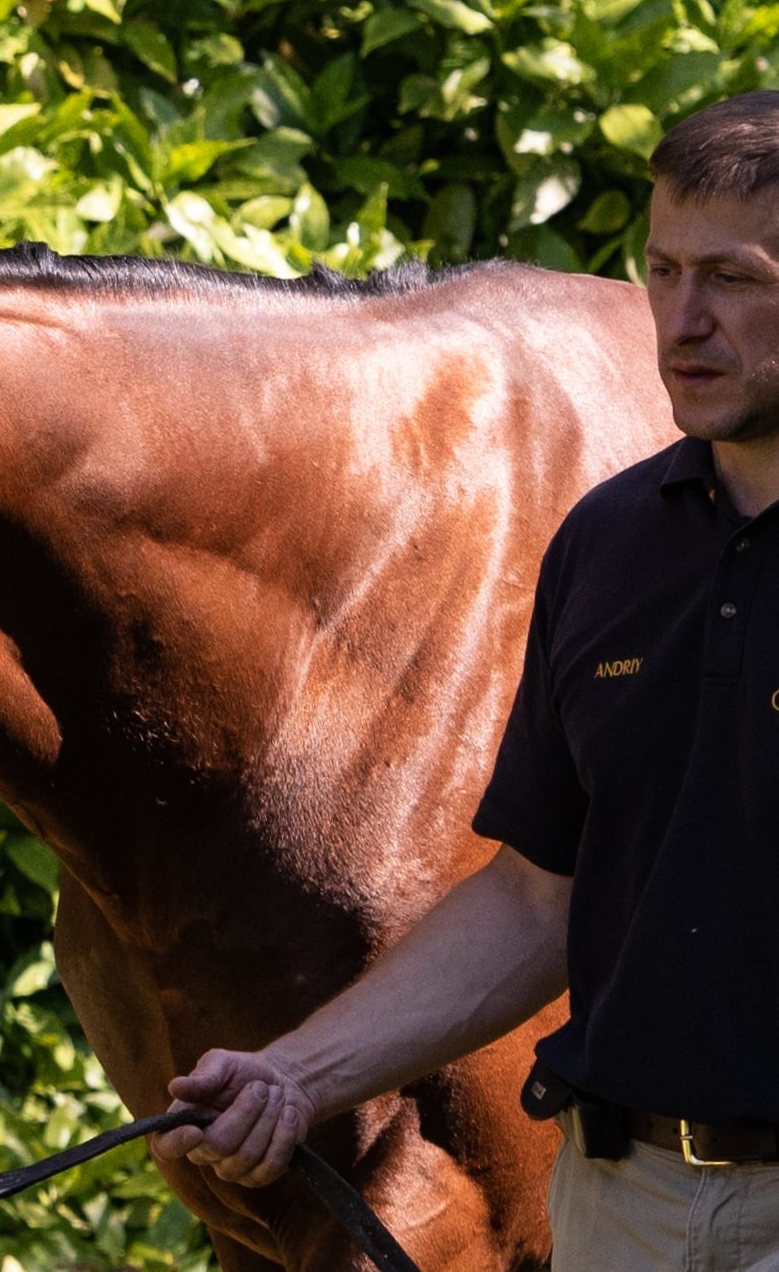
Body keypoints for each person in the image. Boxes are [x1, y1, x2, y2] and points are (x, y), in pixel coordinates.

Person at [153, 90, 779, 1269]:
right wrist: (297, 1069)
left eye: (735, 279)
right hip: (620, 1204)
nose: (684, 321)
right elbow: (536, 897)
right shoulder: (608, 544)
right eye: (661, 270)